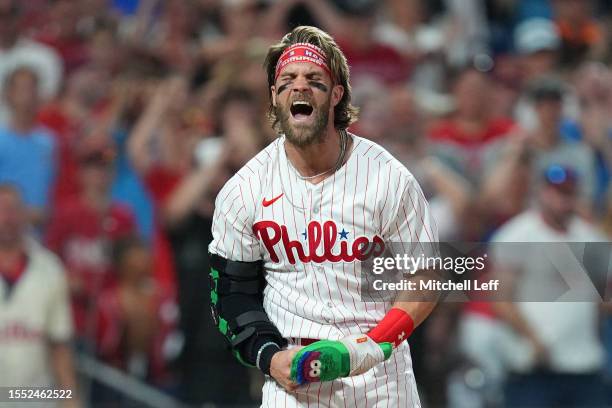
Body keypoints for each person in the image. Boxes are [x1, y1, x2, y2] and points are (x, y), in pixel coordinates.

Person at [209, 26, 439, 406]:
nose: (299, 87)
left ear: (336, 95)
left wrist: (374, 345)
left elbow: (427, 276)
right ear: (274, 97)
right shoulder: (243, 189)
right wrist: (270, 356)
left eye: (314, 80)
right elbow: (232, 295)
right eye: (287, 81)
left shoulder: (388, 177)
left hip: (381, 382)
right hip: (293, 385)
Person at [489, 164, 608, 407]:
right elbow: (501, 299)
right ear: (541, 193)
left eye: (568, 193)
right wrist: (532, 338)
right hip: (534, 364)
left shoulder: (591, 238)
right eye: (556, 192)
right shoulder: (518, 235)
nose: (561, 200)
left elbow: (603, 298)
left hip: (583, 362)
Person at [0, 184, 79, 406]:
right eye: (2, 209)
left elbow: (60, 344)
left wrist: (70, 400)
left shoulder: (50, 269)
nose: (8, 217)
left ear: (25, 214)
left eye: (14, 209)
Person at [0, 67, 57, 227]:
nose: (28, 95)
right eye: (22, 89)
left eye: (33, 89)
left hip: (40, 232)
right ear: (8, 95)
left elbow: (54, 186)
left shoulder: (49, 141)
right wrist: (19, 214)